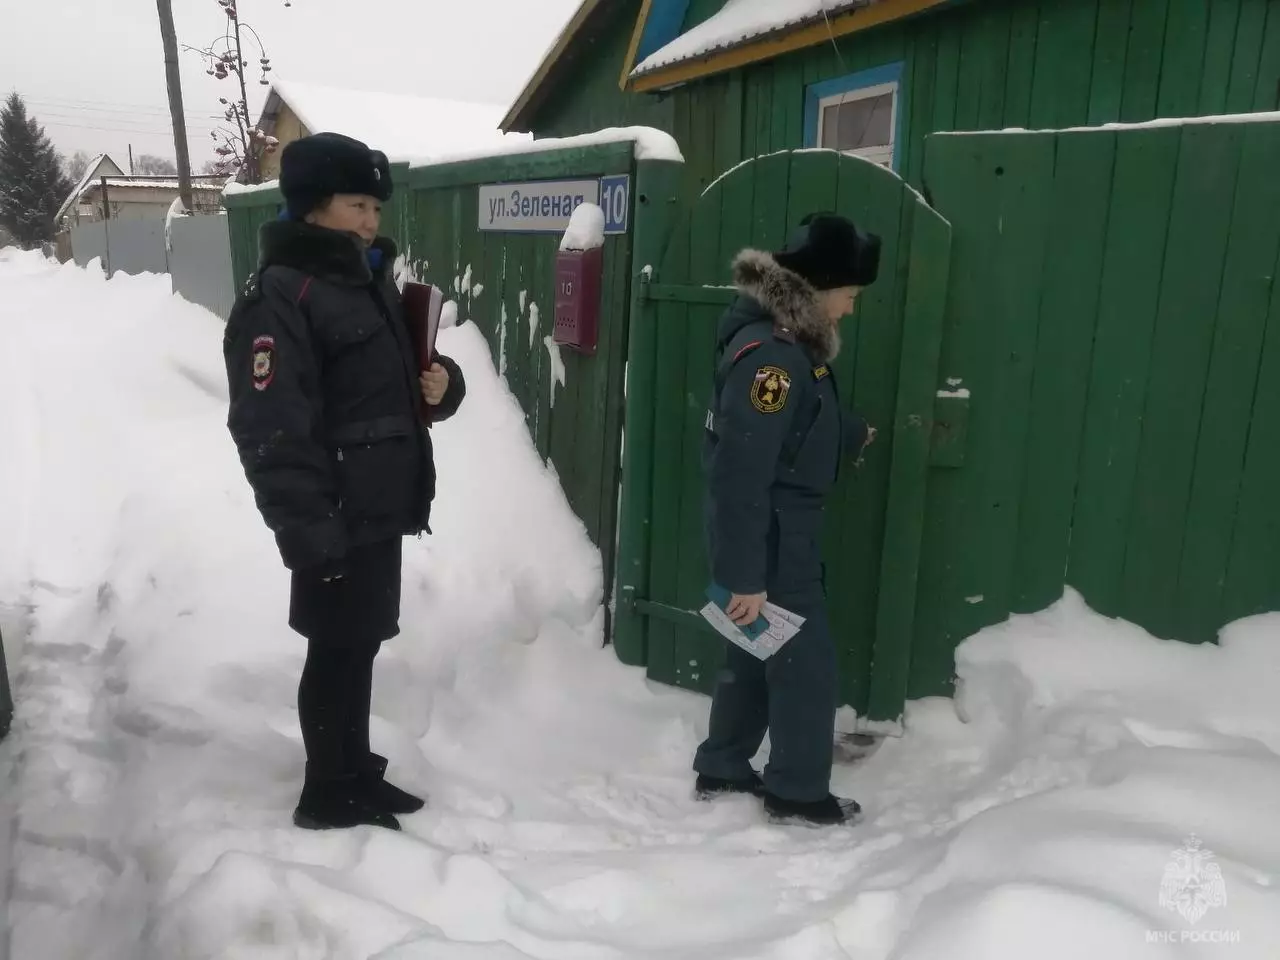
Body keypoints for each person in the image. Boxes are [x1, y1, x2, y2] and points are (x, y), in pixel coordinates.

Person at [223, 132, 465, 832]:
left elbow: (398, 389)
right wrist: (308, 532)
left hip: (376, 503)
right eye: (357, 204)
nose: (370, 220)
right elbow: (270, 428)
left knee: (357, 641)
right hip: (331, 509)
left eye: (375, 208)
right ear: (311, 207)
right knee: (334, 647)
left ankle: (353, 766)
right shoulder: (280, 296)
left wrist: (443, 384)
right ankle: (327, 791)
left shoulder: (367, 282)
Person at [693, 212, 880, 827]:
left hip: (771, 530)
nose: (850, 310)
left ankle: (723, 763)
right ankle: (798, 792)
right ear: (822, 287)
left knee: (755, 649)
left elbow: (792, 426)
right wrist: (745, 573)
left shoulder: (791, 346)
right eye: (850, 296)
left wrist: (847, 433)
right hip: (772, 536)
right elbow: (741, 468)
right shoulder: (773, 359)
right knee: (805, 666)